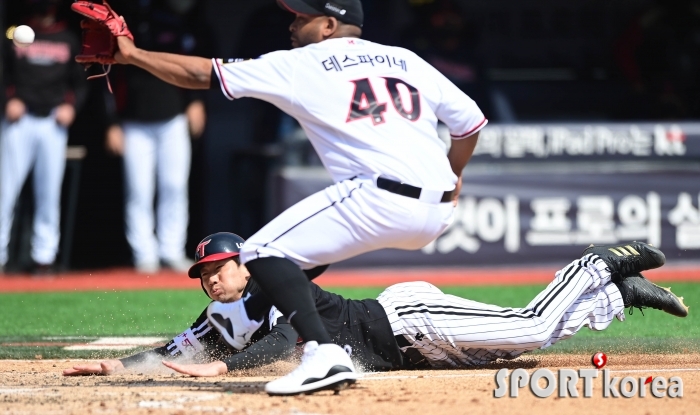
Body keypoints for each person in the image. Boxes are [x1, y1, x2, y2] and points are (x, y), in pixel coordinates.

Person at [63, 233, 688, 383]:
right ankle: (615, 295)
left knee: (532, 324)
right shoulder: (221, 317)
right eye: (202, 275)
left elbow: (291, 343)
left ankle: (596, 264)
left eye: (216, 269)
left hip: (407, 321)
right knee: (532, 349)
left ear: (239, 262)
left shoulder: (274, 278)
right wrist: (117, 368)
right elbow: (175, 352)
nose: (210, 282)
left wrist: (226, 370)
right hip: (412, 354)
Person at [103, 0, 208, 274]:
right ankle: (144, 255)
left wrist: (196, 101)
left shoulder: (175, 22)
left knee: (174, 185)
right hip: (133, 121)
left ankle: (171, 250)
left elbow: (192, 65)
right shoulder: (121, 29)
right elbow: (106, 76)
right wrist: (111, 122)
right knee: (138, 190)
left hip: (173, 116)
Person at [1, 0, 87, 274]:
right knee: (5, 191)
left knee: (48, 193)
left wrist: (71, 107)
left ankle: (45, 257)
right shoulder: (13, 33)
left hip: (52, 122)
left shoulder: (68, 38)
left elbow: (80, 80)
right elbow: (3, 73)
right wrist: (8, 99)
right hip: (19, 119)